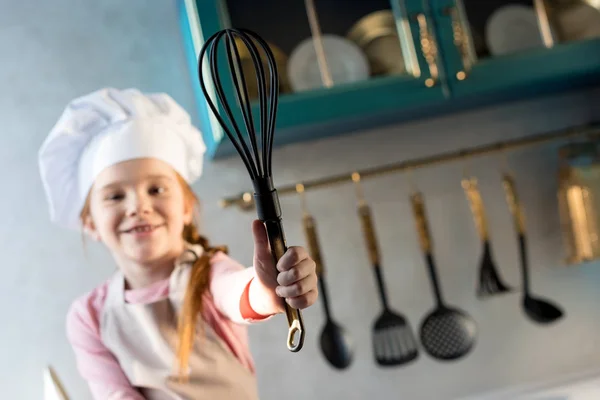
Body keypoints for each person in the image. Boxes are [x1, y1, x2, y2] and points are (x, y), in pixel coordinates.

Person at [37, 87, 318, 400]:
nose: (137, 206)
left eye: (156, 189)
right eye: (115, 196)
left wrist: (269, 288)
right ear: (90, 223)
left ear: (186, 207)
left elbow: (241, 293)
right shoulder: (88, 316)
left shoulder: (208, 273)